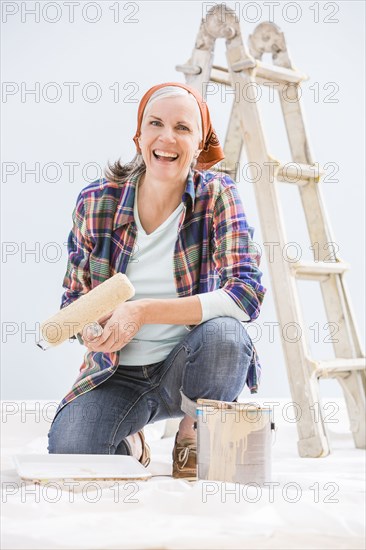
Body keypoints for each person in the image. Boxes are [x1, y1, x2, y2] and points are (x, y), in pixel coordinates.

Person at [48, 82, 266, 480]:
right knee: (71, 450)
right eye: (156, 124)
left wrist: (143, 310)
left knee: (226, 336)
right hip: (117, 374)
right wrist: (93, 329)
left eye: (183, 128)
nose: (167, 137)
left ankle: (193, 431)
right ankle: (132, 440)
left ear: (200, 144)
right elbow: (73, 303)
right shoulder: (97, 201)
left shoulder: (218, 195)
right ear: (139, 136)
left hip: (190, 363)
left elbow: (246, 293)